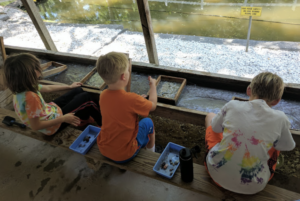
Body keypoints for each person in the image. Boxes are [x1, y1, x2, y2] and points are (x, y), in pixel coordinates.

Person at [204, 72, 295, 194]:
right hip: (254, 187)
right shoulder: (281, 118)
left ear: (248, 90)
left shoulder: (232, 105)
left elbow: (215, 128)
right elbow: (288, 146)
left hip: (215, 173)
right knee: (276, 146)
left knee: (210, 116)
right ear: (277, 101)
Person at [3, 53, 102, 135]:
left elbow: (48, 87)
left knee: (78, 91)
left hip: (49, 112)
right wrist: (63, 118)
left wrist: (69, 87)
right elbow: (36, 126)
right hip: (52, 127)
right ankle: (103, 124)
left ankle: (83, 120)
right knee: (87, 98)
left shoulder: (22, 87)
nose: (40, 68)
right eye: (37, 67)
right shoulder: (31, 98)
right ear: (29, 74)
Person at [96, 52, 157, 163]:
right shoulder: (132, 99)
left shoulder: (103, 95)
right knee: (148, 122)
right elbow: (153, 105)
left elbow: (120, 103)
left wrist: (138, 100)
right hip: (125, 154)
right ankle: (151, 155)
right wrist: (153, 86)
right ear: (124, 76)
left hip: (104, 148)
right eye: (128, 70)